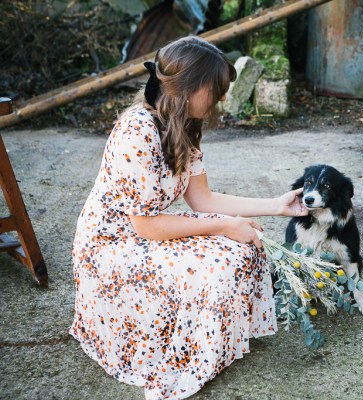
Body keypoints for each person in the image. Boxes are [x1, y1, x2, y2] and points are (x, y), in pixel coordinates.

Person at [70, 36, 308, 400]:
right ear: (187, 88)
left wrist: (276, 204)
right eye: (215, 90)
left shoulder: (183, 125)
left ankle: (206, 343)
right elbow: (146, 225)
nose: (221, 98)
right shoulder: (137, 131)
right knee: (216, 261)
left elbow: (203, 199)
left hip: (146, 232)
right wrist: (225, 225)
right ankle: (181, 350)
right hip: (111, 246)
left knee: (243, 250)